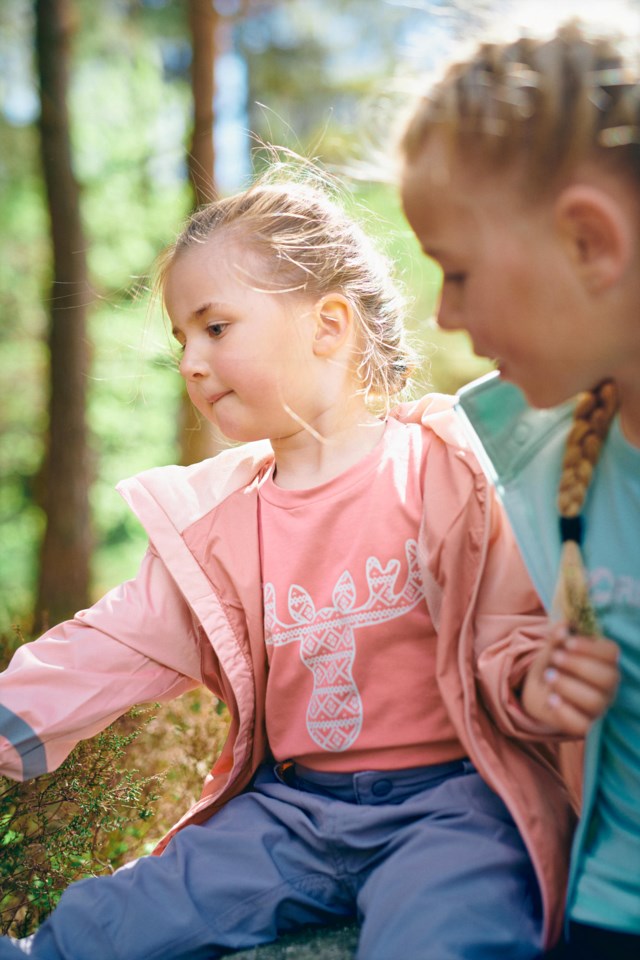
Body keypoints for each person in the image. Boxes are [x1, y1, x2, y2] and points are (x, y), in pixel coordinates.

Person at [0, 170, 610, 960]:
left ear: (329, 325)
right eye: (180, 339)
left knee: (449, 934)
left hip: (453, 808)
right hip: (290, 814)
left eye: (215, 328)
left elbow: (507, 629)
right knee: (105, 924)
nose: (189, 362)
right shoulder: (219, 527)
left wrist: (541, 683)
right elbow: (107, 645)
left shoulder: (441, 471)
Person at [398, 20, 638, 960]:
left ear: (589, 241)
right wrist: (544, 687)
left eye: (457, 272)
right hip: (609, 910)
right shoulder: (544, 462)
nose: (446, 317)